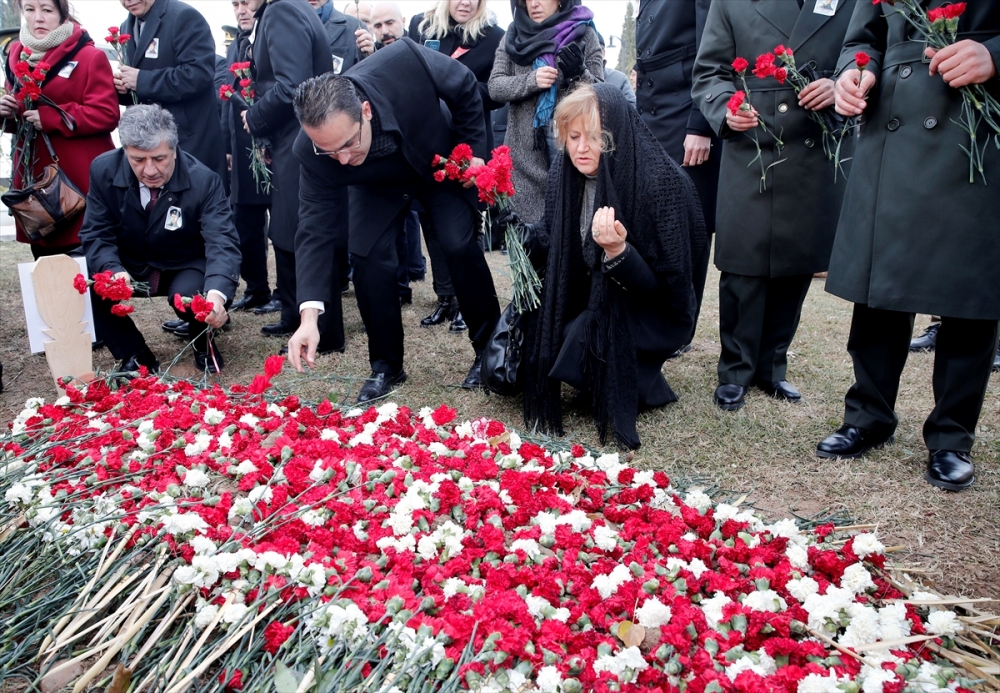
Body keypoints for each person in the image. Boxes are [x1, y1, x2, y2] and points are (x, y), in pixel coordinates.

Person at [816, 1, 1000, 492]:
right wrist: (854, 74)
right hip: (892, 120)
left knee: (968, 288)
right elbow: (862, 37)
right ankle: (868, 415)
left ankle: (951, 435)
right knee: (882, 283)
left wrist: (995, 54)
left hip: (973, 120)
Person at [287, 40, 501, 402]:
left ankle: (490, 350)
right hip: (375, 183)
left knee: (457, 244)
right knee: (369, 257)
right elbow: (313, 231)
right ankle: (386, 365)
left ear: (366, 111)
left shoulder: (404, 59)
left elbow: (465, 85)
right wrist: (308, 315)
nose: (339, 159)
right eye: (328, 150)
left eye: (347, 143)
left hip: (436, 156)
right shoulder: (313, 152)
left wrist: (474, 153)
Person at [512, 83, 704, 450]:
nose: (581, 149)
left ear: (616, 135)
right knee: (537, 331)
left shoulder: (657, 183)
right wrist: (519, 233)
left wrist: (619, 252)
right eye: (573, 136)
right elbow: (553, 238)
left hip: (649, 309)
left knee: (584, 336)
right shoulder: (563, 174)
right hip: (592, 295)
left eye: (596, 137)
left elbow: (668, 288)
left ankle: (645, 384)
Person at [692, 0, 856, 412]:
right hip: (751, 144)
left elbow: (865, 55)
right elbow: (709, 71)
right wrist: (727, 109)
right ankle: (735, 370)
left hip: (814, 146)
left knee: (796, 262)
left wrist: (839, 85)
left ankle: (771, 367)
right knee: (744, 263)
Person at [79, 105, 241, 374]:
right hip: (129, 263)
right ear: (125, 151)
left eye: (159, 158)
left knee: (195, 295)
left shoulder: (204, 181)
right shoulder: (103, 170)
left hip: (183, 263)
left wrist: (217, 297)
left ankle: (203, 341)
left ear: (175, 150)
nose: (150, 170)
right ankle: (135, 354)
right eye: (138, 160)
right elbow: (96, 232)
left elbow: (222, 241)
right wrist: (112, 269)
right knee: (91, 279)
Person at [242, 0, 344, 352]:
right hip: (290, 136)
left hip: (301, 137)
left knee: (305, 229)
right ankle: (292, 313)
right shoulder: (286, 8)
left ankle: (324, 331)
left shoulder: (283, 11)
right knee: (286, 226)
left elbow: (291, 86)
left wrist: (255, 118)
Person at [408, 0, 505, 333]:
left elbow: (497, 92)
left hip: (469, 143)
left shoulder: (494, 36)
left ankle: (469, 300)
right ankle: (445, 297)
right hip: (427, 143)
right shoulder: (420, 27)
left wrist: (455, 84)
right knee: (431, 223)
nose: (466, 2)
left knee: (464, 229)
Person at [0, 0, 119, 259]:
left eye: (47, 9)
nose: (38, 18)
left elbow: (107, 114)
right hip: (36, 180)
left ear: (62, 13)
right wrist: (7, 112)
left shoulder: (89, 56)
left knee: (86, 267)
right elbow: (19, 115)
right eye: (30, 10)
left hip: (77, 178)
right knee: (45, 267)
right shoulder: (15, 54)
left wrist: (52, 118)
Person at [635, 0, 718, 350]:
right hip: (650, 106)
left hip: (686, 111)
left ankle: (681, 324)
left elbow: (711, 47)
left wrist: (701, 124)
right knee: (652, 220)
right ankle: (655, 316)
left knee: (686, 222)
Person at [488, 0, 603, 224]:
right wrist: (531, 80)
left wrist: (579, 74)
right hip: (523, 159)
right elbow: (495, 86)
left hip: (570, 156)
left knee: (567, 239)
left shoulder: (584, 32)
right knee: (527, 244)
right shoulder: (512, 36)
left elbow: (601, 90)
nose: (534, 3)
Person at [114, 0, 226, 182]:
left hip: (188, 143)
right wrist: (123, 88)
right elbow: (137, 83)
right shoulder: (126, 26)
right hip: (146, 144)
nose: (129, 1)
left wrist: (142, 80)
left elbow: (199, 74)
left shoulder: (184, 17)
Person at [223, 0, 273, 314]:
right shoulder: (235, 45)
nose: (241, 9)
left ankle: (287, 291)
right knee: (245, 222)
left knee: (281, 223)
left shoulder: (271, 36)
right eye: (235, 3)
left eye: (246, 2)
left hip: (272, 146)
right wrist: (228, 147)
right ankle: (256, 289)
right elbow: (228, 100)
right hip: (242, 150)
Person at [596, 33, 634, 107]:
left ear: (603, 53)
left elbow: (632, 110)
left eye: (595, 50)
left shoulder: (620, 79)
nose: (590, 53)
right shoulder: (572, 79)